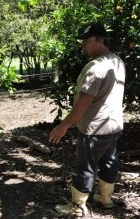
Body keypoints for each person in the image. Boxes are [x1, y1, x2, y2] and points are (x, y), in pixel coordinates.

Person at [49, 22, 126, 217]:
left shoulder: (95, 68)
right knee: (109, 161)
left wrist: (64, 125)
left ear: (101, 40)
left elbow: (83, 103)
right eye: (82, 42)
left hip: (94, 129)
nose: (83, 45)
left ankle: (77, 208)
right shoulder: (117, 61)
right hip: (113, 125)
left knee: (86, 166)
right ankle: (106, 199)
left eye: (87, 41)